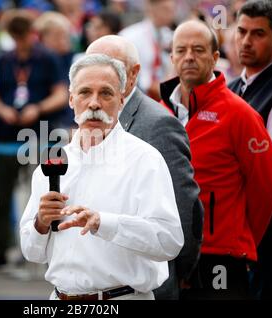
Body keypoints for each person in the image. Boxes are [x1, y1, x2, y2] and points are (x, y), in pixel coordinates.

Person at [20, 53, 184, 300]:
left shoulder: (144, 160)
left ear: (121, 100)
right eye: (85, 92)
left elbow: (169, 241)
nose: (94, 103)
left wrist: (103, 223)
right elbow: (32, 252)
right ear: (71, 99)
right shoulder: (53, 163)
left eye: (105, 93)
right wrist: (40, 223)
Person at [160, 20, 272, 299]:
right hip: (169, 254)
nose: (189, 56)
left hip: (221, 255)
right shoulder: (161, 113)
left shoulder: (240, 114)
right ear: (172, 58)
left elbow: (265, 191)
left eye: (199, 50)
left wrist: (238, 240)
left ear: (215, 58)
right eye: (182, 50)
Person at [86, 35, 203, 300]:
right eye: (92, 63)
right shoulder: (90, 119)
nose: (102, 72)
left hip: (143, 286)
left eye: (111, 64)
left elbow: (184, 211)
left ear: (134, 73)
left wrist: (176, 273)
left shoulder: (158, 124)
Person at [0, 10, 68, 268]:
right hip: (7, 135)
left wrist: (38, 108)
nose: (21, 41)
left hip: (41, 132)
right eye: (17, 36)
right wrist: (3, 110)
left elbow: (60, 94)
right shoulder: (4, 60)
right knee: (3, 194)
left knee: (43, 194)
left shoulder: (46, 58)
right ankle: (3, 248)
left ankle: (45, 250)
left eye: (24, 35)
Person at [228, 0, 272, 300]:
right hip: (234, 233)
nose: (246, 41)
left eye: (257, 34)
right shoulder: (231, 88)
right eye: (241, 31)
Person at [119, 0, 175, 101]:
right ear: (152, 9)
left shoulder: (169, 35)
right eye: (165, 9)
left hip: (163, 95)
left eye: (172, 9)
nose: (171, 14)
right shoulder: (131, 35)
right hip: (137, 96)